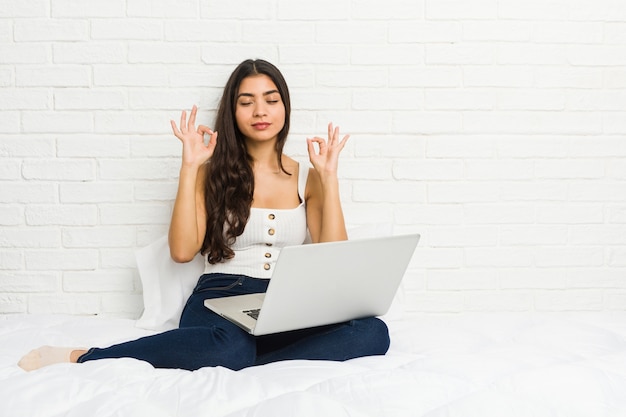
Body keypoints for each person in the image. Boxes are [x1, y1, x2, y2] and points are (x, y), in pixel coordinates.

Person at [18, 59, 390, 372]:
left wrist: (329, 177)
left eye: (270, 100)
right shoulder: (212, 172)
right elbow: (182, 252)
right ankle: (87, 356)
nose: (260, 111)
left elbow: (333, 260)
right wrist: (190, 167)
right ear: (232, 111)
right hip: (220, 298)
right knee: (227, 347)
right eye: (246, 102)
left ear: (284, 107)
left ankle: (248, 359)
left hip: (287, 302)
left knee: (374, 333)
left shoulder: (308, 177)